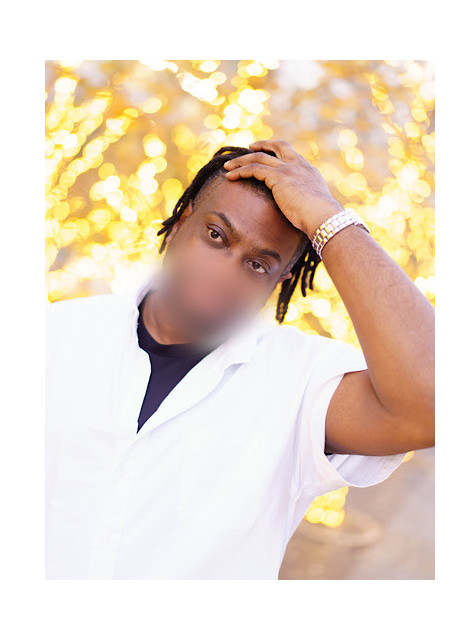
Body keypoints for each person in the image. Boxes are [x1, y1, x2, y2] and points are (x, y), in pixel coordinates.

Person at [45, 139, 435, 580]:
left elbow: (432, 404)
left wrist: (328, 219)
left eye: (257, 265)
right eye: (216, 236)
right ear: (181, 221)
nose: (224, 274)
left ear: (280, 280)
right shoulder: (53, 336)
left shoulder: (300, 383)